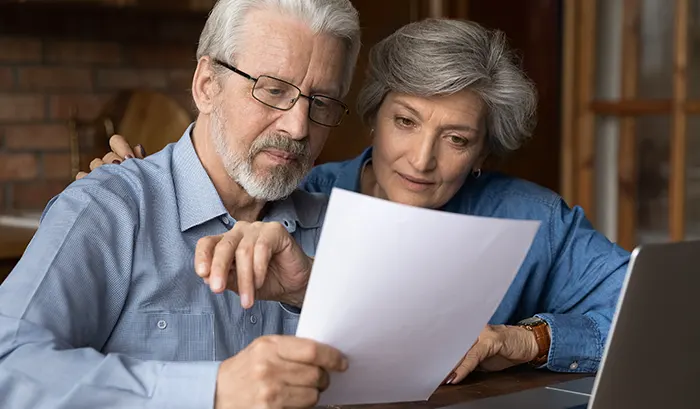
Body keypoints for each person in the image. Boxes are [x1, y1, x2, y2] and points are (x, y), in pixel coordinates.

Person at [95, 18, 630, 385]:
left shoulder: (534, 218)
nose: (422, 160)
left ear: (484, 150)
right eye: (406, 122)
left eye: (457, 139)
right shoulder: (298, 195)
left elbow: (654, 317)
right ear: (373, 114)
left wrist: (524, 341)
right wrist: (145, 191)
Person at [0, 1, 362, 408]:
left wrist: (313, 291)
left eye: (321, 103)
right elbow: (8, 366)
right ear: (207, 85)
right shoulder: (109, 209)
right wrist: (214, 390)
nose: (298, 127)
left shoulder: (342, 229)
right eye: (273, 90)